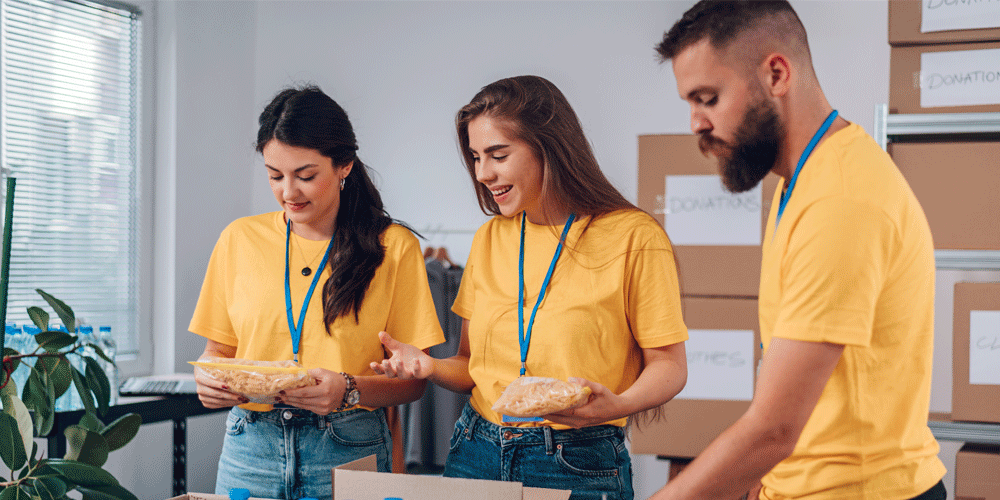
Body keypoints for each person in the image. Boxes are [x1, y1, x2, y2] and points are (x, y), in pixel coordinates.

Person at [650, 2, 947, 499]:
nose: (696, 123)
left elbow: (773, 429)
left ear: (776, 74)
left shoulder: (840, 200)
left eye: (708, 98)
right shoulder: (803, 181)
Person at [370, 75, 689, 500]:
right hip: (476, 449)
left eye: (498, 155)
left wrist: (618, 405)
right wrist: (428, 366)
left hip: (575, 460)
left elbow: (670, 366)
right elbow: (470, 366)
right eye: (476, 157)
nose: (483, 173)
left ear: (548, 145)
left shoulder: (633, 236)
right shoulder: (490, 238)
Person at [189, 86, 445, 500]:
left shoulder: (393, 247)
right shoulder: (239, 239)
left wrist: (348, 389)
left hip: (348, 446)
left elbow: (414, 384)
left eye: (306, 176)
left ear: (344, 165)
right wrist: (208, 376)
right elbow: (216, 351)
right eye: (275, 176)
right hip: (250, 446)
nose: (289, 192)